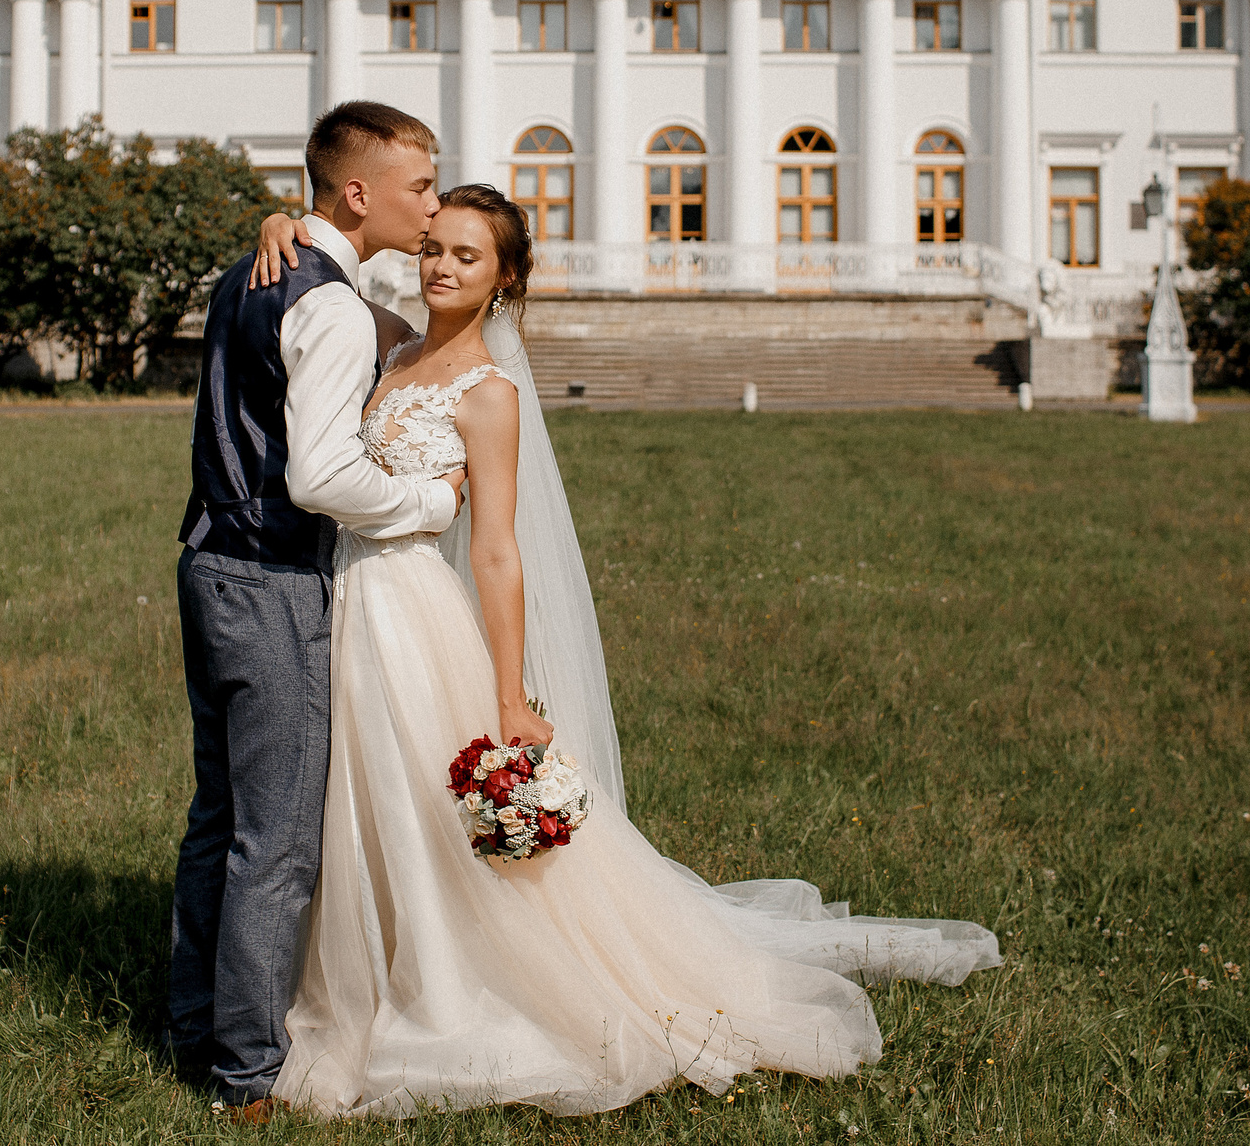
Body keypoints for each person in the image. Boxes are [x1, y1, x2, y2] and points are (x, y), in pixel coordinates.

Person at [249, 187, 1001, 1119]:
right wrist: (283, 223)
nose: (441, 265)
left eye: (467, 256)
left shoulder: (488, 393)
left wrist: (510, 690)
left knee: (419, 807)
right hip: (348, 601)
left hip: (412, 612)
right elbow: (324, 272)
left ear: (506, 277)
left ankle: (444, 992)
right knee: (363, 800)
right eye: (434, 247)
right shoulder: (393, 340)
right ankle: (377, 953)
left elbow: (495, 549)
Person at [169, 101, 468, 1113]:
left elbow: (380, 330)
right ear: (357, 193)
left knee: (218, 818)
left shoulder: (257, 274)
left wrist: (278, 223)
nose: (429, 205)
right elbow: (322, 474)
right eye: (419, 185)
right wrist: (428, 503)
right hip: (271, 580)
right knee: (278, 838)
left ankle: (191, 1024)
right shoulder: (328, 303)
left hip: (204, 565)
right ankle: (245, 1071)